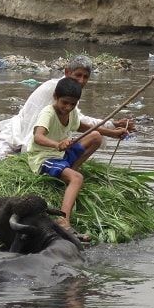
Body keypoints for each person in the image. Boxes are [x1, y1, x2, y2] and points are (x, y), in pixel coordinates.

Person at [0, 54, 134, 168]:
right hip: (20, 137)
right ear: (67, 72)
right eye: (77, 75)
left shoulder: (70, 94)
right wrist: (111, 128)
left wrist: (113, 127)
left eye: (85, 77)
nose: (81, 81)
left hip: (43, 143)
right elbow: (77, 123)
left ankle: (70, 170)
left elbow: (77, 121)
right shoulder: (58, 89)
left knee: (95, 137)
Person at [27, 77, 127, 229]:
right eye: (64, 102)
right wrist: (57, 144)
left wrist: (112, 133)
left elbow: (82, 126)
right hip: (45, 158)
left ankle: (69, 171)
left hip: (62, 154)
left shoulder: (71, 113)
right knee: (77, 178)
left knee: (95, 137)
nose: (68, 107)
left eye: (72, 104)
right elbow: (38, 136)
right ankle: (64, 219)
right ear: (56, 97)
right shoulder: (48, 113)